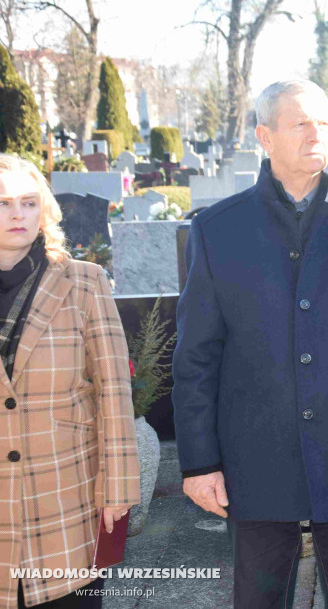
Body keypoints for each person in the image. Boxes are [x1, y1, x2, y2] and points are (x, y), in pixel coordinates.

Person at [172, 79, 328, 608]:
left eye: (324, 123)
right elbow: (196, 356)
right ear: (264, 136)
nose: (317, 135)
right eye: (301, 124)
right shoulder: (218, 229)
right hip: (254, 456)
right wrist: (199, 462)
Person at [0, 154, 139, 608]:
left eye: (28, 202)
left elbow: (114, 391)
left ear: (43, 210)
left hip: (66, 499)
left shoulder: (84, 283)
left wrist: (118, 488)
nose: (17, 214)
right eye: (3, 203)